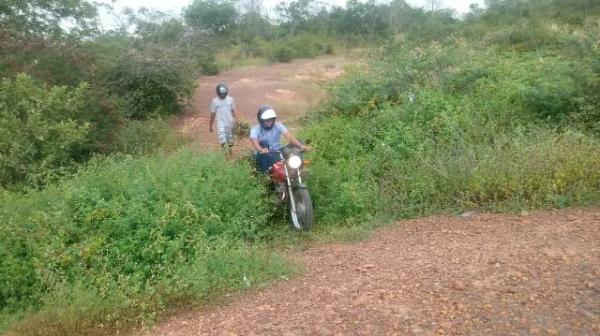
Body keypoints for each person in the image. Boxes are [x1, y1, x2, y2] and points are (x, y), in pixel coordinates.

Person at [250, 105, 311, 172]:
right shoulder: (255, 129)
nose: (269, 123)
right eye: (267, 121)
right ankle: (265, 174)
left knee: (298, 143)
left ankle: (299, 169)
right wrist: (261, 149)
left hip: (277, 152)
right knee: (264, 143)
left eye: (271, 120)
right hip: (263, 154)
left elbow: (290, 137)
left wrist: (301, 146)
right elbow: (255, 142)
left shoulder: (278, 126)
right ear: (261, 120)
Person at [209, 83, 236, 152]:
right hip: (220, 123)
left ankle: (230, 151)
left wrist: (236, 121)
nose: (222, 95)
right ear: (218, 93)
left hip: (230, 123)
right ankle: (225, 154)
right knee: (223, 140)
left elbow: (233, 111)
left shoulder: (231, 99)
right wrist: (210, 126)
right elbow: (212, 114)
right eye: (221, 93)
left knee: (230, 140)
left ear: (226, 92)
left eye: (224, 93)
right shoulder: (214, 101)